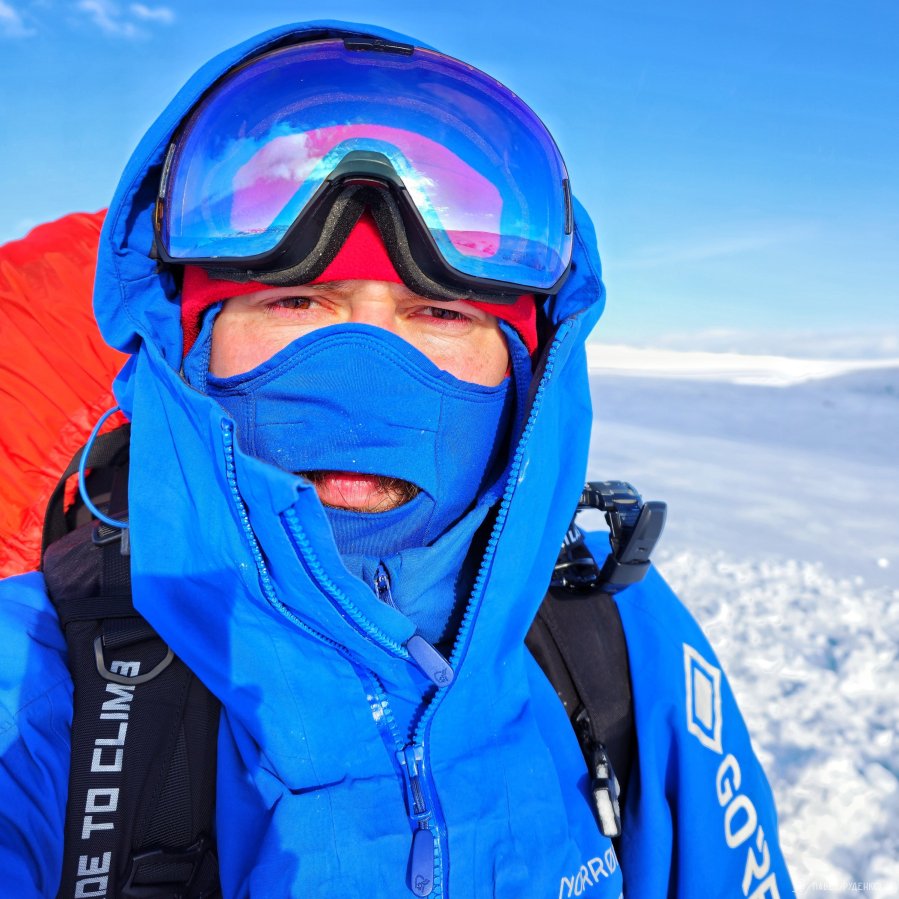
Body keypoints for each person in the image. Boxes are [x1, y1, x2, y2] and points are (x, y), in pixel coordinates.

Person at [0, 19, 794, 898]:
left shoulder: (616, 638)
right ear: (186, 343)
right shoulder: (36, 697)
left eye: (442, 315)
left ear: (528, 367)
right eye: (296, 301)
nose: (365, 370)